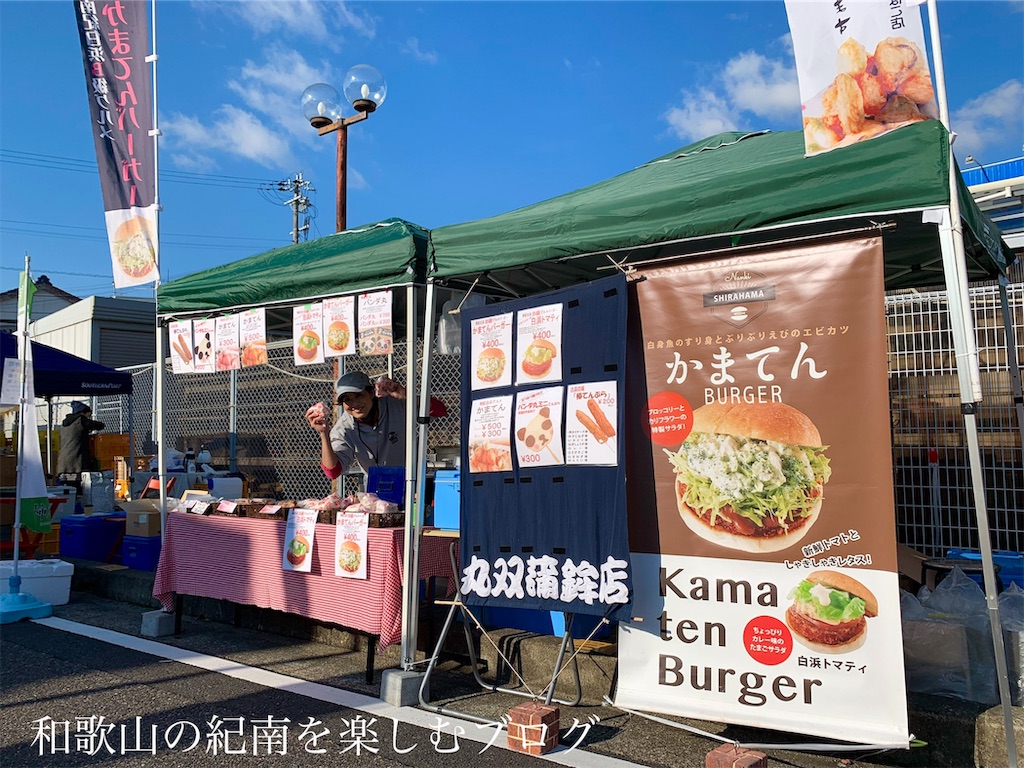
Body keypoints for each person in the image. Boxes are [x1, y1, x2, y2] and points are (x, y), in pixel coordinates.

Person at [305, 371, 408, 479]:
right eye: (347, 399)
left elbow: (427, 411)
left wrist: (407, 396)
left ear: (371, 393)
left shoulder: (395, 405)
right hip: (374, 488)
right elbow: (333, 472)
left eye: (359, 395)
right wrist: (324, 433)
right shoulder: (344, 427)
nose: (354, 404)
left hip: (411, 479)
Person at [57, 401, 105, 487]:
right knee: (78, 489)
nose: (89, 418)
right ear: (83, 413)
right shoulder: (80, 420)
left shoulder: (65, 423)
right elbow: (98, 425)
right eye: (88, 415)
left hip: (63, 463)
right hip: (75, 463)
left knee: (67, 490)